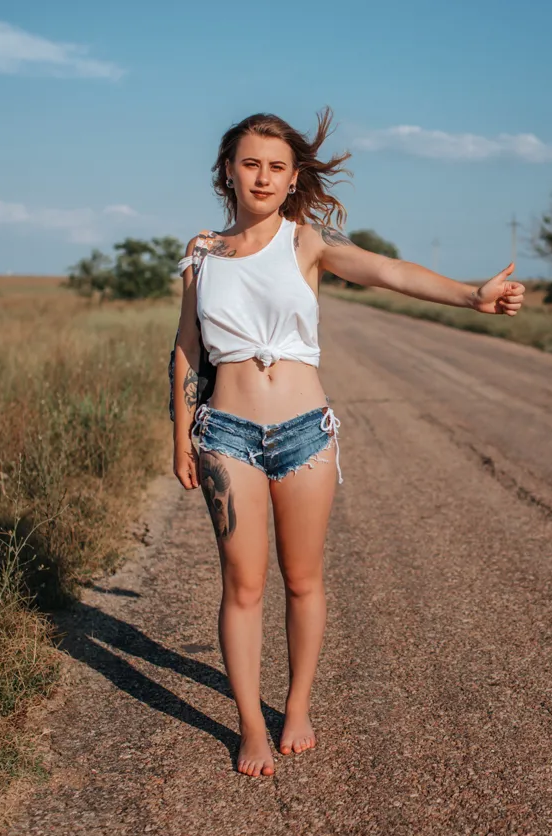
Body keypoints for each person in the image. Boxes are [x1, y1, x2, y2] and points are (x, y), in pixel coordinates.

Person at [170, 108, 525, 778]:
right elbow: (186, 349)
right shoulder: (201, 254)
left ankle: (296, 706)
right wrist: (177, 434)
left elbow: (389, 271)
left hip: (305, 431)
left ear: (294, 175)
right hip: (226, 435)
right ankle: (249, 724)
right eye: (250, 163)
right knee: (242, 586)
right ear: (227, 171)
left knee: (303, 580)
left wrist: (470, 294)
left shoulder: (306, 243)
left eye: (276, 166)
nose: (263, 177)